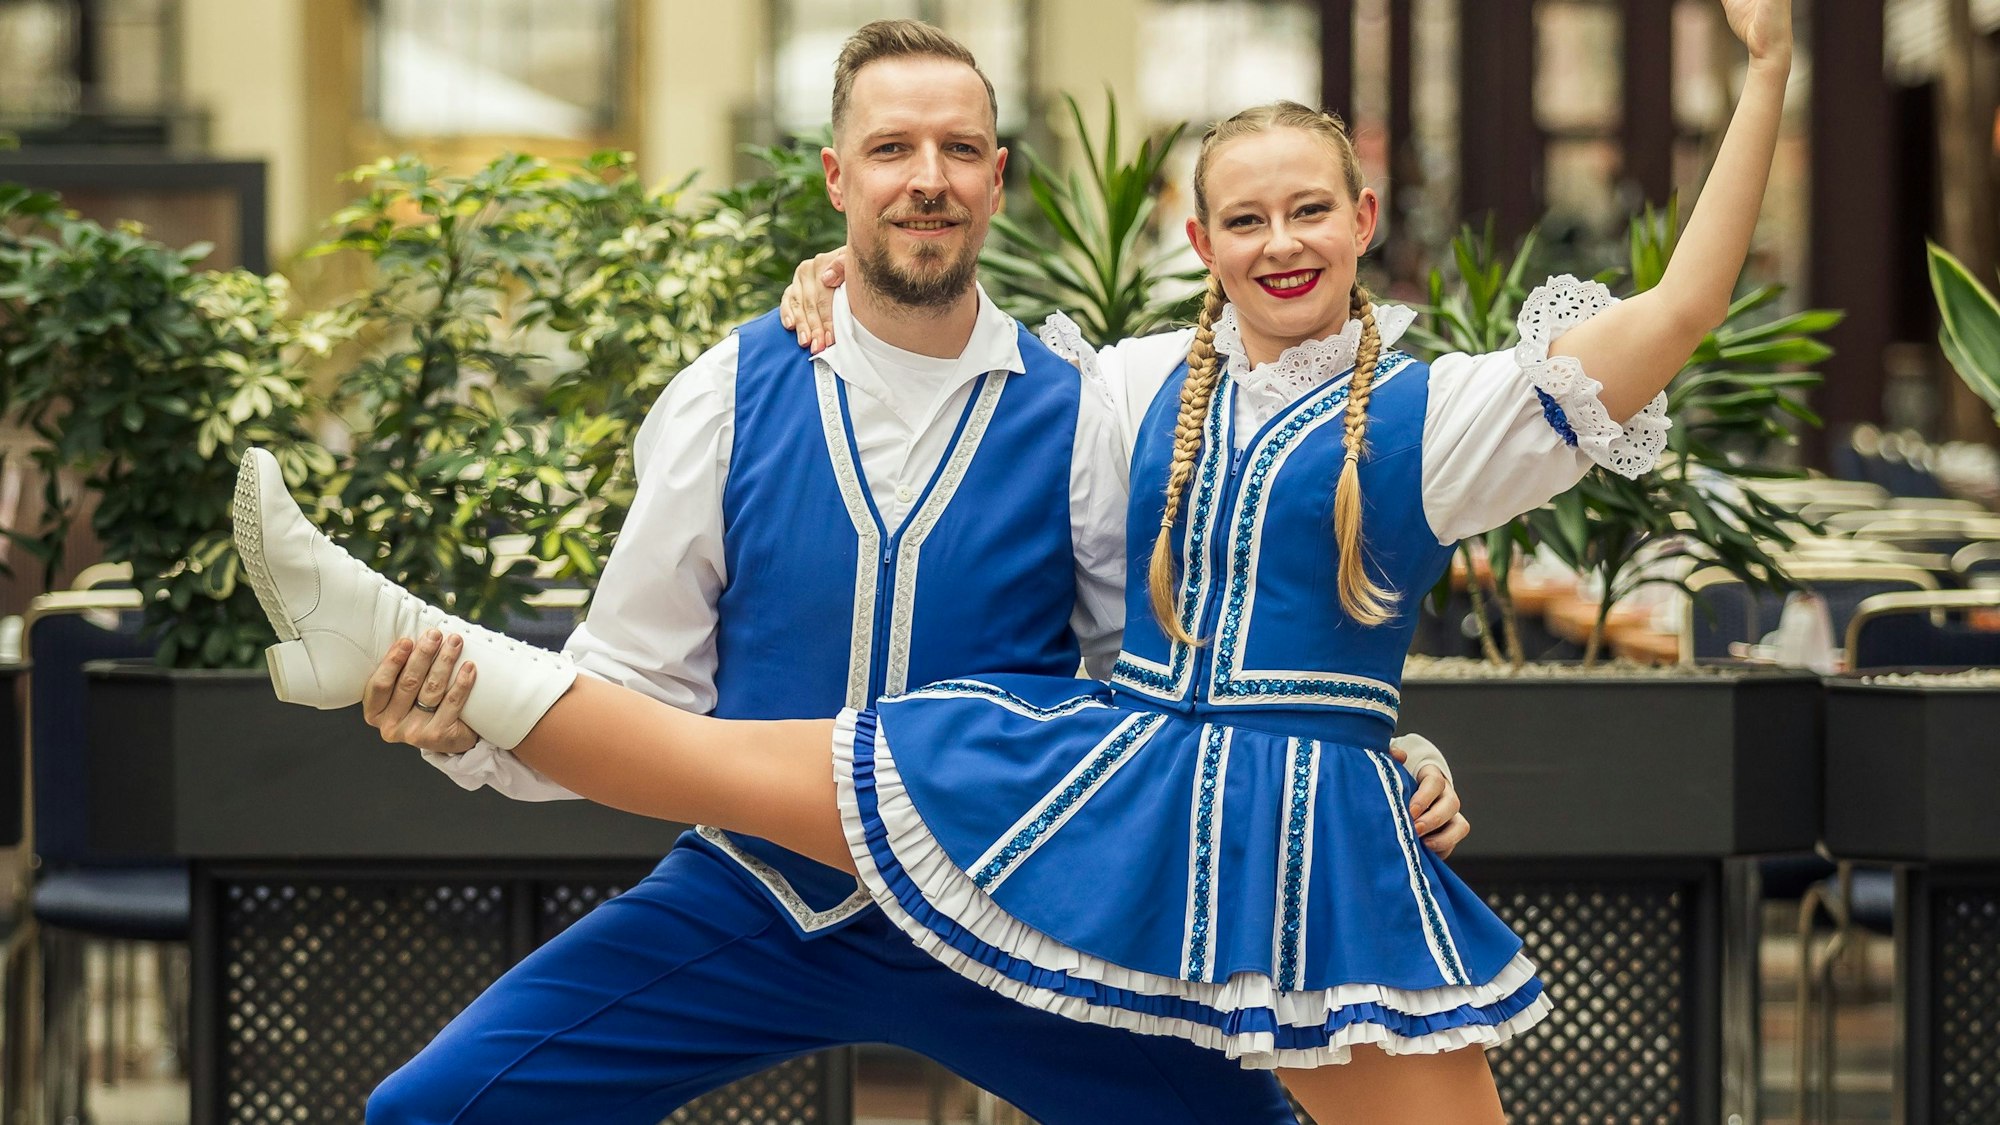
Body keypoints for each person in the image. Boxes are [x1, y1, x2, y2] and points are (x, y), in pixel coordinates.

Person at [232, 0, 1788, 1117]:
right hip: (753, 899)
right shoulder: (730, 391)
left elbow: (1190, 647)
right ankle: (391, 642)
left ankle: (382, 632)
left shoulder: (1094, 397)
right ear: (836, 182)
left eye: (958, 148)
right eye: (890, 149)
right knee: (435, 1113)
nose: (926, 176)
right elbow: (634, 695)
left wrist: (1383, 740)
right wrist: (461, 732)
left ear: (998, 178)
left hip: (1028, 897)